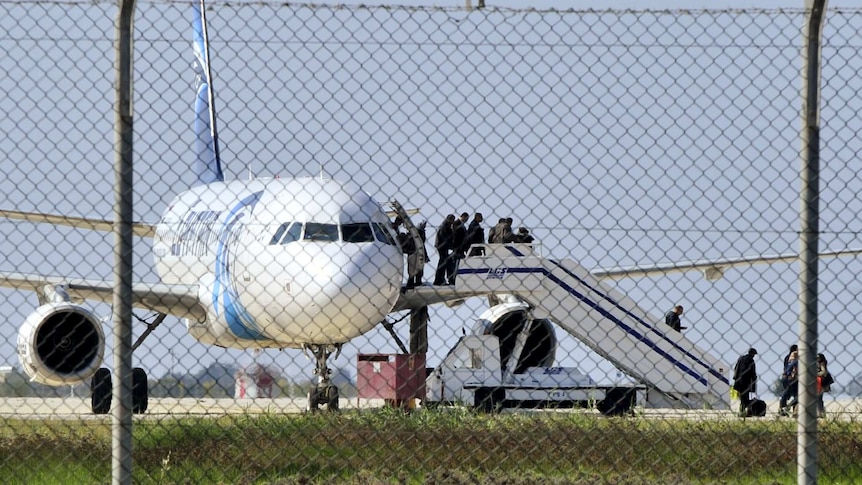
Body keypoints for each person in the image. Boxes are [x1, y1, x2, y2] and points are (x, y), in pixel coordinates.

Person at [732, 347, 758, 417]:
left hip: (738, 381)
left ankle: (742, 411)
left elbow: (736, 369)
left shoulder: (741, 359)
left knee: (742, 397)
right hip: (746, 382)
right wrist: (754, 380)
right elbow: (752, 372)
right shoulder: (751, 360)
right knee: (747, 397)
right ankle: (746, 411)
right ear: (752, 354)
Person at [433, 214, 455, 285]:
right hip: (442, 247)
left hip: (442, 246)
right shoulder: (445, 227)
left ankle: (440, 279)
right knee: (443, 263)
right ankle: (440, 280)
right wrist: (451, 246)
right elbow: (445, 238)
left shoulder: (445, 225)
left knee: (443, 263)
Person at [406, 220, 427, 290]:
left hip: (417, 252)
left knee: (418, 267)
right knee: (413, 268)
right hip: (413, 252)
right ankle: (411, 283)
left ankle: (417, 282)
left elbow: (422, 243)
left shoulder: (420, 233)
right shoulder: (414, 234)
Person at [779, 350, 799, 417]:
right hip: (792, 379)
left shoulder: (789, 361)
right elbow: (794, 371)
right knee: (797, 396)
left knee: (786, 393)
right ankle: (789, 408)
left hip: (786, 378)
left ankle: (784, 408)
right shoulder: (796, 362)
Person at [816, 353, 832, 418]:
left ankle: (820, 412)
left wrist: (816, 374)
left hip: (822, 383)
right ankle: (821, 412)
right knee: (819, 398)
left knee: (819, 398)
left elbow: (824, 372)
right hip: (821, 382)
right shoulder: (820, 363)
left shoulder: (822, 364)